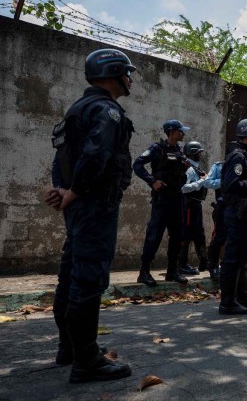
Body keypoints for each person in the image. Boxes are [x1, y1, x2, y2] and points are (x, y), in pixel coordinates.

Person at [44, 48, 134, 383]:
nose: (130, 79)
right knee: (89, 278)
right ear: (113, 72)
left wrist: (63, 188)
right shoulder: (106, 110)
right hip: (95, 204)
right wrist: (76, 190)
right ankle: (87, 361)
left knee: (70, 275)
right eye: (127, 72)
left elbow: (62, 156)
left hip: (79, 204)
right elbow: (97, 154)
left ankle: (69, 348)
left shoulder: (77, 108)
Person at [134, 120, 191, 287]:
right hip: (162, 199)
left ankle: (172, 271)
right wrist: (152, 181)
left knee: (178, 236)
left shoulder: (179, 151)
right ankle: (144, 272)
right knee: (154, 236)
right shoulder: (157, 149)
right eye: (181, 131)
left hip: (177, 199)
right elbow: (137, 165)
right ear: (172, 131)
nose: (183, 134)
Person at [218, 118, 247, 315]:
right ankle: (227, 302)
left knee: (241, 257)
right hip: (237, 213)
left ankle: (241, 295)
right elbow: (231, 186)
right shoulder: (238, 156)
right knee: (232, 257)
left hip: (246, 212)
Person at [179, 141, 209, 275]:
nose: (200, 155)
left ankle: (204, 262)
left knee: (199, 235)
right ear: (193, 153)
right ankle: (182, 265)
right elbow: (183, 188)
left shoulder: (196, 167)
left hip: (196, 205)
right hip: (189, 205)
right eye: (199, 152)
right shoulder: (189, 168)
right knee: (186, 234)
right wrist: (201, 181)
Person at [203, 159, 225, 280]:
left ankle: (239, 267)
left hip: (240, 208)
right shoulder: (218, 166)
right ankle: (213, 266)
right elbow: (207, 182)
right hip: (223, 208)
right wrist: (223, 182)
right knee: (219, 238)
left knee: (239, 239)